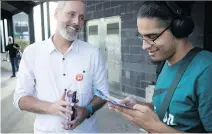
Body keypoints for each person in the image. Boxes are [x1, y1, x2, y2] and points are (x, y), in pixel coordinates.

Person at [109, 1, 212, 133]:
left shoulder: (207, 70)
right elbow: (167, 109)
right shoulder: (164, 63)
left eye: (152, 36)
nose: (144, 46)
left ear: (178, 28)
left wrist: (156, 127)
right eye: (142, 37)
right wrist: (140, 107)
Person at [13, 0, 108, 133]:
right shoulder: (32, 53)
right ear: (56, 14)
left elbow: (103, 94)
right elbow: (20, 99)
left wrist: (87, 110)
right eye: (71, 14)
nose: (76, 22)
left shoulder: (92, 53)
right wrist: (51, 107)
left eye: (81, 18)